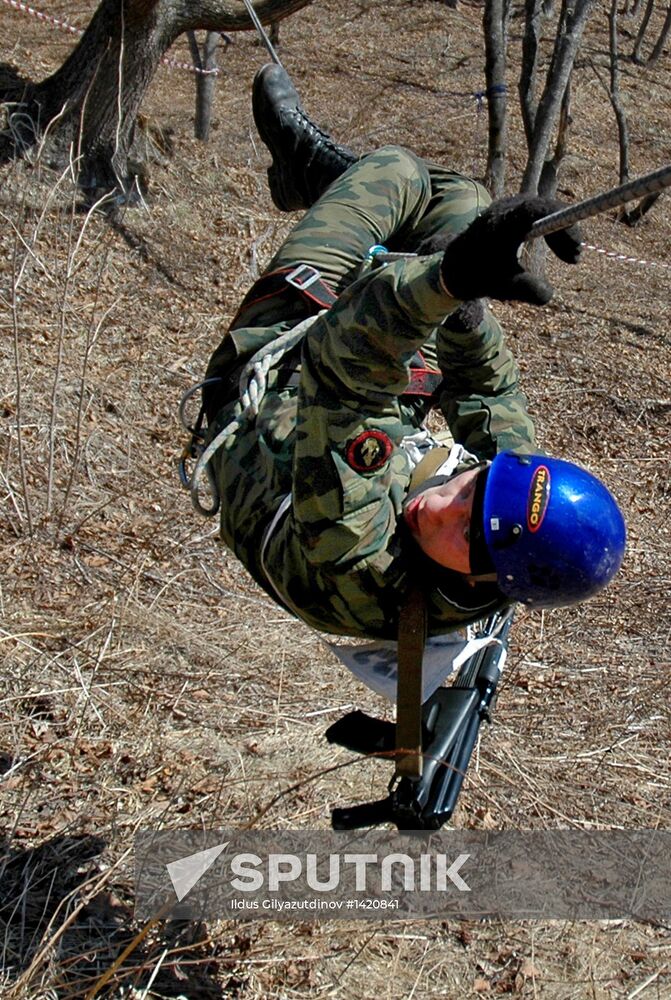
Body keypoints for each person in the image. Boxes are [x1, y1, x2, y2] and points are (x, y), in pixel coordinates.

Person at [189, 64, 626, 642]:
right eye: (471, 487)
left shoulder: (361, 558)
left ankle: (317, 170)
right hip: (349, 404)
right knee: (466, 201)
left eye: (466, 537)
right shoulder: (510, 514)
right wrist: (465, 311)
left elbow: (343, 374)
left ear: (491, 582)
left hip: (269, 390)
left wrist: (444, 282)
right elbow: (490, 392)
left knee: (394, 171)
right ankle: (350, 196)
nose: (442, 508)